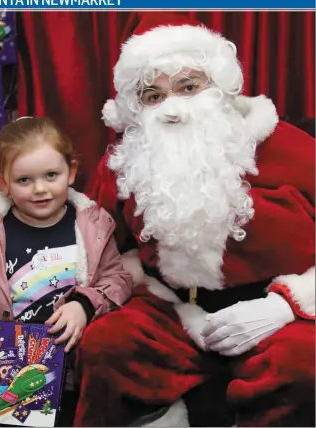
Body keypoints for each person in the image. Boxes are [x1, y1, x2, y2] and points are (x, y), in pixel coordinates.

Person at [74, 12, 315, 427]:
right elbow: (107, 250)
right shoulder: (125, 164)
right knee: (106, 346)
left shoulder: (291, 147)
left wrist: (287, 306)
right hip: (175, 311)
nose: (171, 110)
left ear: (218, 84)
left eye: (188, 86)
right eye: (153, 96)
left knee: (302, 364)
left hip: (279, 313)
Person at [0, 117, 132, 426]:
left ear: (71, 172)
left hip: (73, 373)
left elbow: (119, 279)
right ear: (3, 183)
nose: (40, 189)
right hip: (5, 377)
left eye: (51, 175)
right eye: (24, 180)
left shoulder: (92, 225)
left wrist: (84, 305)